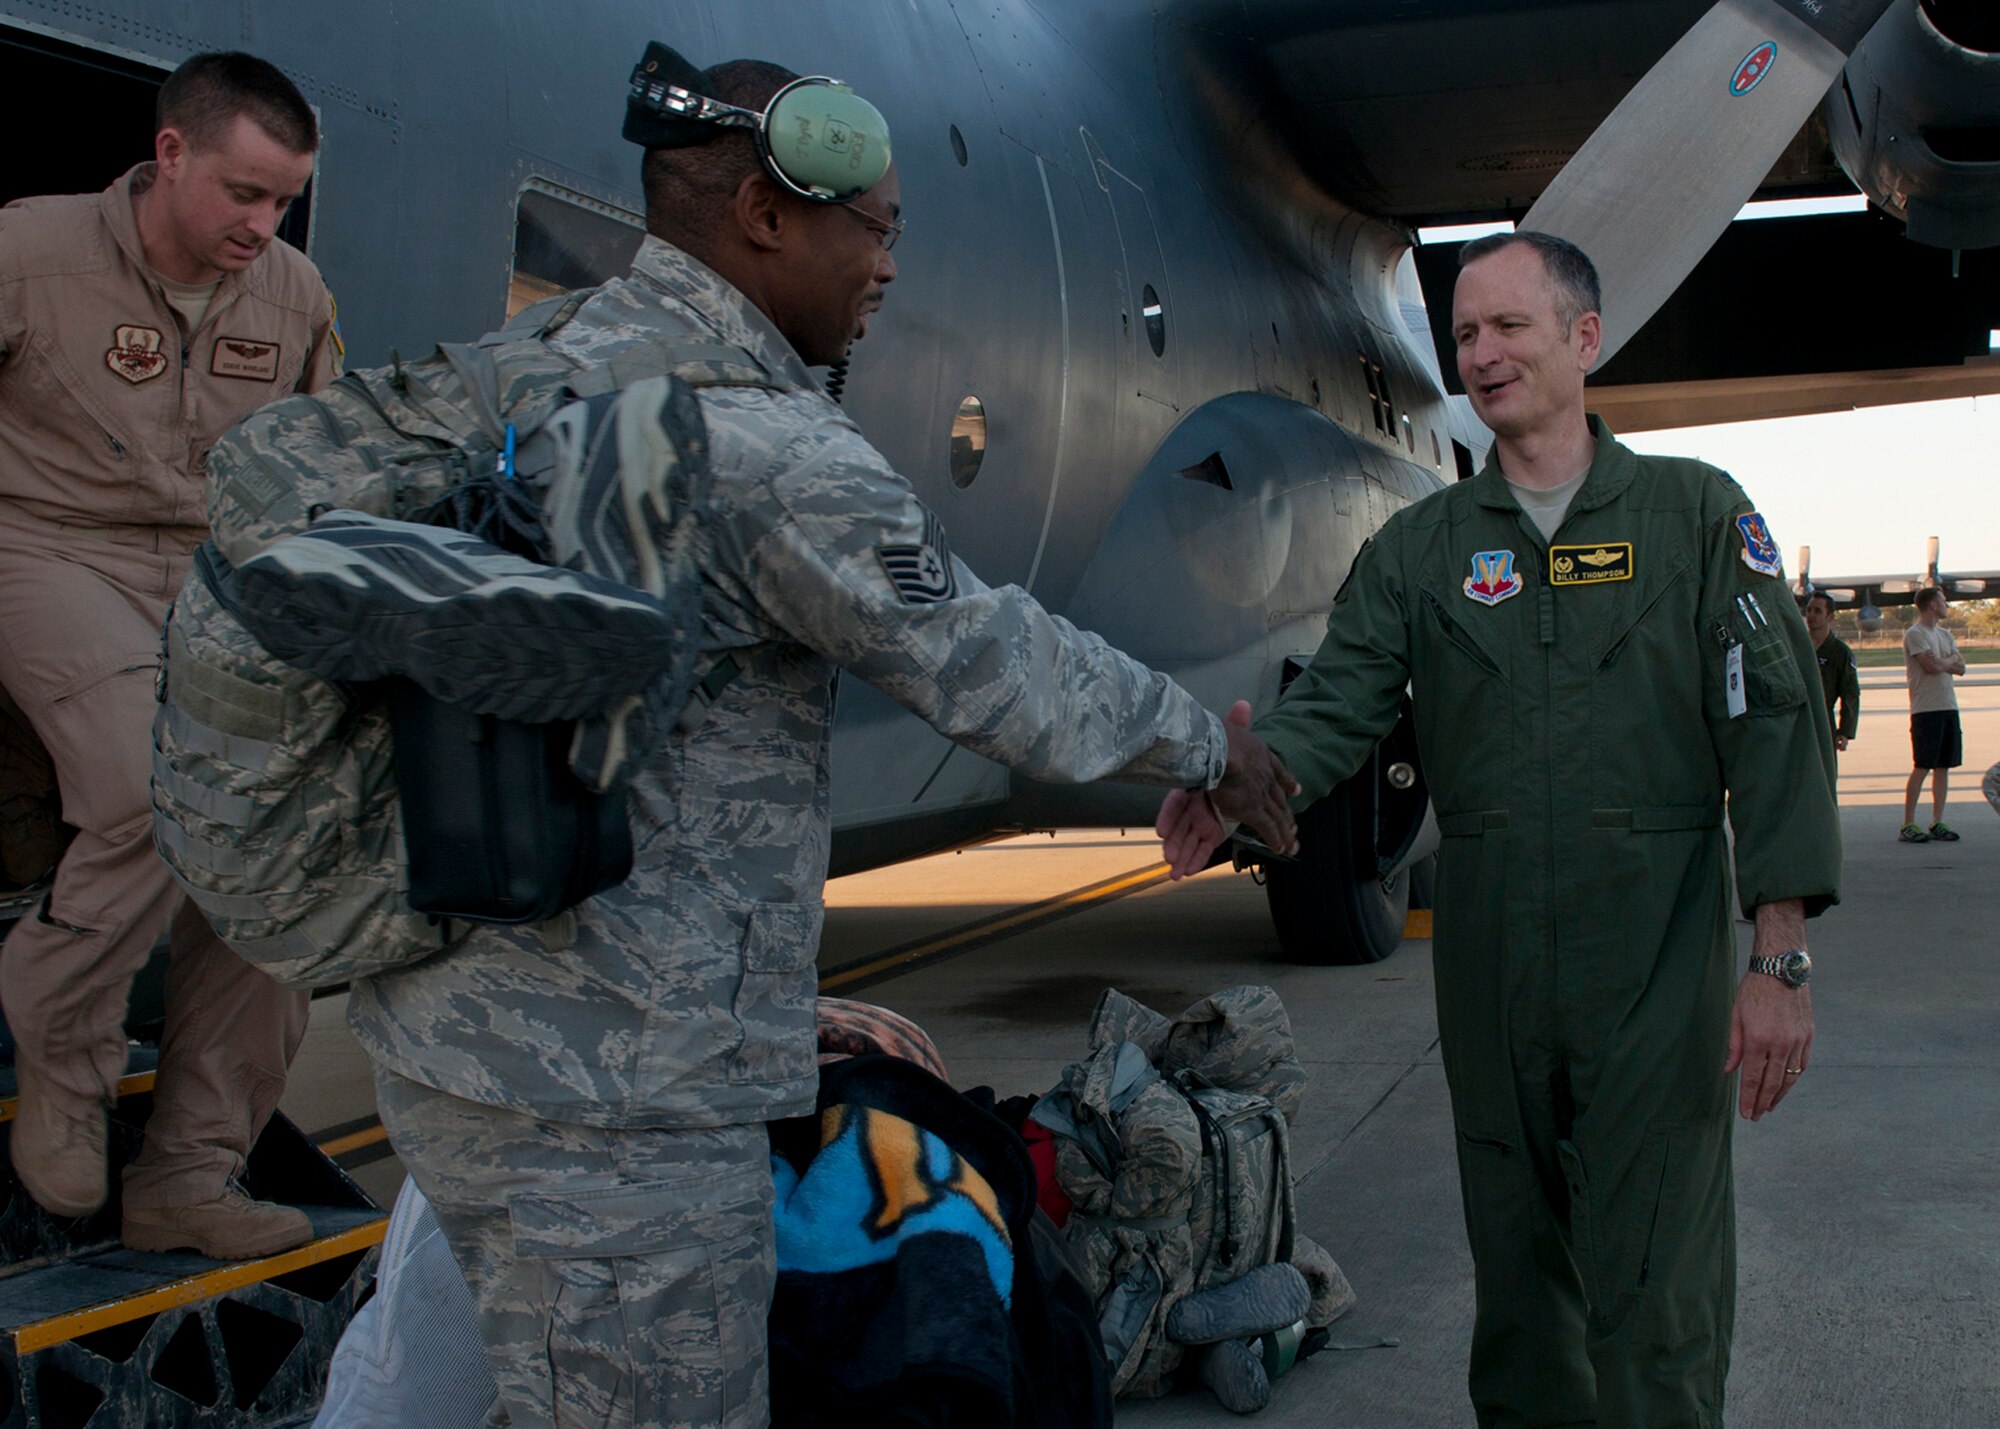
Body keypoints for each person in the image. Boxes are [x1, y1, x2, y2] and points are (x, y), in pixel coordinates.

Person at [255, 50, 1298, 1428]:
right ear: (764, 213)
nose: (884, 270)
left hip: (468, 1044)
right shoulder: (757, 442)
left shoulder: (525, 371)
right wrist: (1214, 751)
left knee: (425, 1390)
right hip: (630, 1107)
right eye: (875, 231)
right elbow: (990, 661)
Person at [1158, 231, 1840, 1427]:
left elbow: (1772, 725)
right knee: (1517, 1283)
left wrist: (1775, 955)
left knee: (1657, 1281)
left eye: (1507, 327)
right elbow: (1336, 702)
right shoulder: (1422, 550)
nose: (1479, 354)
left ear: (1582, 339)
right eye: (1463, 333)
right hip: (1490, 961)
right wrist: (1237, 781)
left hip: (1656, 945)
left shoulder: (1692, 514)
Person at [0, 53, 340, 1254]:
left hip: (205, 570)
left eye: (284, 201)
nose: (264, 225)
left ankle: (190, 1170)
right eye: (244, 194)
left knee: (286, 837)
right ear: (172, 155)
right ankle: (67, 1065)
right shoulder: (26, 250)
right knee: (154, 784)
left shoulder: (293, 293)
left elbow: (308, 469)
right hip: (40, 544)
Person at [1900, 586, 1965, 842]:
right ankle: (1908, 824)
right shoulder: (1915, 634)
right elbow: (1930, 667)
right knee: (1922, 766)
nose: (1947, 603)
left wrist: (1944, 662)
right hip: (1925, 710)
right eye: (1943, 600)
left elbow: (1961, 667)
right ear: (1933, 605)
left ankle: (1937, 821)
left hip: (1948, 706)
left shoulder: (1945, 635)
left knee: (1943, 766)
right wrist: (1946, 661)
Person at [1803, 589, 1860, 756]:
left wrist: (1845, 731)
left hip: (1823, 720)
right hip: (1796, 721)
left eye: (1818, 611)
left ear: (1830, 617)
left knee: (1825, 773)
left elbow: (1850, 693)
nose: (1811, 615)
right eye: (1809, 610)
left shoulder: (1840, 652)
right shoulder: (1797, 647)